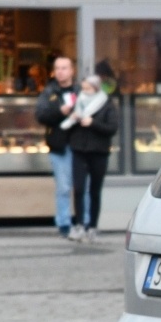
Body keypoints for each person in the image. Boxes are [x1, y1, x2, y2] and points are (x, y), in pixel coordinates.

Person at [62, 75, 117, 242]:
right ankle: (79, 225)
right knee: (78, 189)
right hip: (79, 149)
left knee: (94, 190)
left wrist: (92, 122)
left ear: (96, 88)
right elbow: (66, 128)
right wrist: (72, 119)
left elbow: (112, 128)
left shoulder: (106, 104)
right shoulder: (77, 103)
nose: (85, 92)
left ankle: (92, 226)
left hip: (98, 151)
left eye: (88, 89)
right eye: (83, 88)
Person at [35, 56, 80, 237]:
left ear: (72, 71)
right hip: (59, 146)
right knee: (63, 187)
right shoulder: (49, 92)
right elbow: (40, 115)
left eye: (64, 68)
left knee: (82, 187)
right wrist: (59, 112)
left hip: (80, 145)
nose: (61, 72)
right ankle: (64, 223)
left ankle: (84, 222)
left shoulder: (81, 91)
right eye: (58, 68)